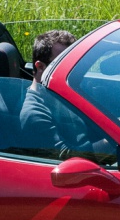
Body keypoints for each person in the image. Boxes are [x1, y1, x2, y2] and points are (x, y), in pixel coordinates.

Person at [18, 29, 112, 161]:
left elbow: (102, 123)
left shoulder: (60, 94)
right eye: (62, 64)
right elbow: (65, 158)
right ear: (40, 67)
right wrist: (114, 143)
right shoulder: (34, 114)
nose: (70, 70)